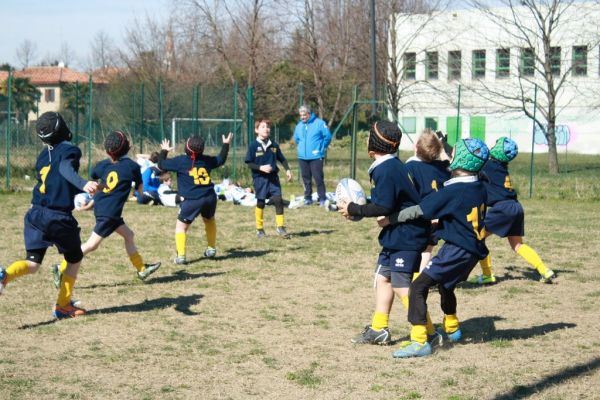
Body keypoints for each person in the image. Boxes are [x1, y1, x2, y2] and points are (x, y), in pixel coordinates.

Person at [388, 138, 490, 358]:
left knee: (417, 287)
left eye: (454, 154)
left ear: (461, 160)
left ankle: (419, 341)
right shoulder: (479, 185)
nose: (449, 156)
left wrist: (393, 217)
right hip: (473, 249)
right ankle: (452, 327)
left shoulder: (453, 192)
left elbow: (421, 210)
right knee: (446, 285)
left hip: (457, 249)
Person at [337, 121, 433, 346]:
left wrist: (355, 209)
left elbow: (384, 208)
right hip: (397, 235)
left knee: (401, 285)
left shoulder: (386, 169)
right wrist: (361, 206)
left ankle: (427, 331)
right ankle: (379, 329)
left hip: (407, 236)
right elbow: (386, 202)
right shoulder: (390, 165)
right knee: (383, 279)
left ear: (373, 144)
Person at [0, 112, 98, 319]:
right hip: (57, 217)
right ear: (62, 128)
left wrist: (77, 192)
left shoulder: (43, 155)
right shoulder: (71, 150)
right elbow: (64, 169)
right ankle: (63, 306)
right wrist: (83, 184)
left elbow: (55, 180)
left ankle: (4, 275)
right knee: (74, 258)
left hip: (35, 214)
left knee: (33, 263)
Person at [53, 130, 161, 288]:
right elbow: (140, 191)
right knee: (91, 245)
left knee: (129, 235)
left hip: (104, 207)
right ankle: (60, 268)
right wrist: (135, 189)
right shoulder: (132, 166)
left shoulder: (102, 165)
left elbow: (94, 176)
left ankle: (141, 269)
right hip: (110, 212)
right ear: (128, 147)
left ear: (108, 151)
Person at [468, 137, 555, 285]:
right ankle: (544, 270)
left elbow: (471, 160)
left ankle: (488, 274)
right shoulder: (501, 167)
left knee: (478, 238)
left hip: (503, 209)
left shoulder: (488, 165)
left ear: (497, 151)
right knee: (517, 245)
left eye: (495, 144)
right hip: (515, 206)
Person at [158, 133, 232, 264]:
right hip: (209, 197)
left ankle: (181, 256)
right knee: (209, 221)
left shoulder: (180, 161)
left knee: (181, 228)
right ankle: (211, 248)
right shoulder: (206, 160)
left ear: (187, 148)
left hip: (192, 200)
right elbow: (221, 160)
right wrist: (226, 144)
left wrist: (164, 150)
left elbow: (161, 164)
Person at [405, 129, 451, 272]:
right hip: (438, 216)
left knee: (416, 249)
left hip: (421, 216)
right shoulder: (442, 167)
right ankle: (420, 280)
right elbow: (448, 162)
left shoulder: (410, 166)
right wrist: (442, 150)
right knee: (427, 250)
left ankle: (414, 281)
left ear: (416, 147)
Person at [245, 118, 293, 238]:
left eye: (268, 127)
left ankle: (280, 227)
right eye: (263, 127)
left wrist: (287, 170)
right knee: (261, 203)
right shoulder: (253, 146)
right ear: (257, 130)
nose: (266, 129)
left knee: (278, 200)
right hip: (260, 179)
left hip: (273, 178)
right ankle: (259, 229)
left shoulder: (274, 145)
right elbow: (249, 163)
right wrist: (260, 167)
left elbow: (282, 159)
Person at [293, 104, 332, 206]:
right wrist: (301, 148)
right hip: (302, 157)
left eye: (304, 115)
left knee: (318, 178)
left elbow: (327, 137)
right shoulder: (299, 126)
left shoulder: (319, 123)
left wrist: (320, 148)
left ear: (309, 114)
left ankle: (322, 198)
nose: (302, 117)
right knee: (306, 179)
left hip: (316, 157)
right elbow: (296, 139)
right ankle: (308, 198)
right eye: (301, 115)